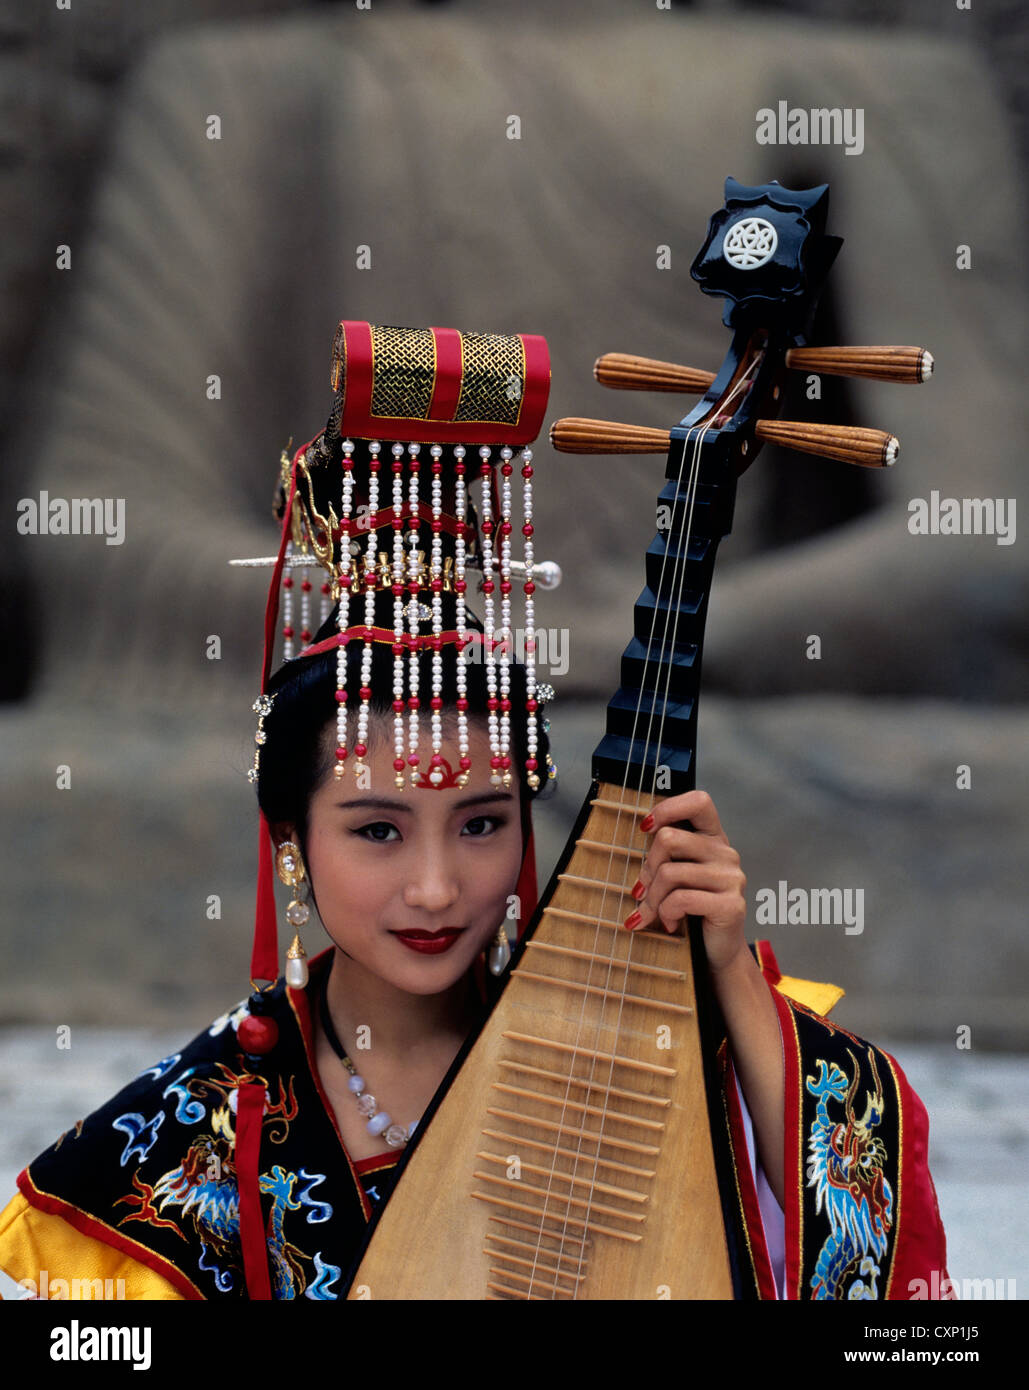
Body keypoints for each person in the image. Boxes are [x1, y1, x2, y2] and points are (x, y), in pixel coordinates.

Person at [0, 321, 950, 1301]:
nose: (438, 886)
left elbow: (871, 1245)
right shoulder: (192, 1129)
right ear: (290, 839)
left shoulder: (649, 1047)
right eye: (377, 828)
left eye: (483, 821)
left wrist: (730, 981)